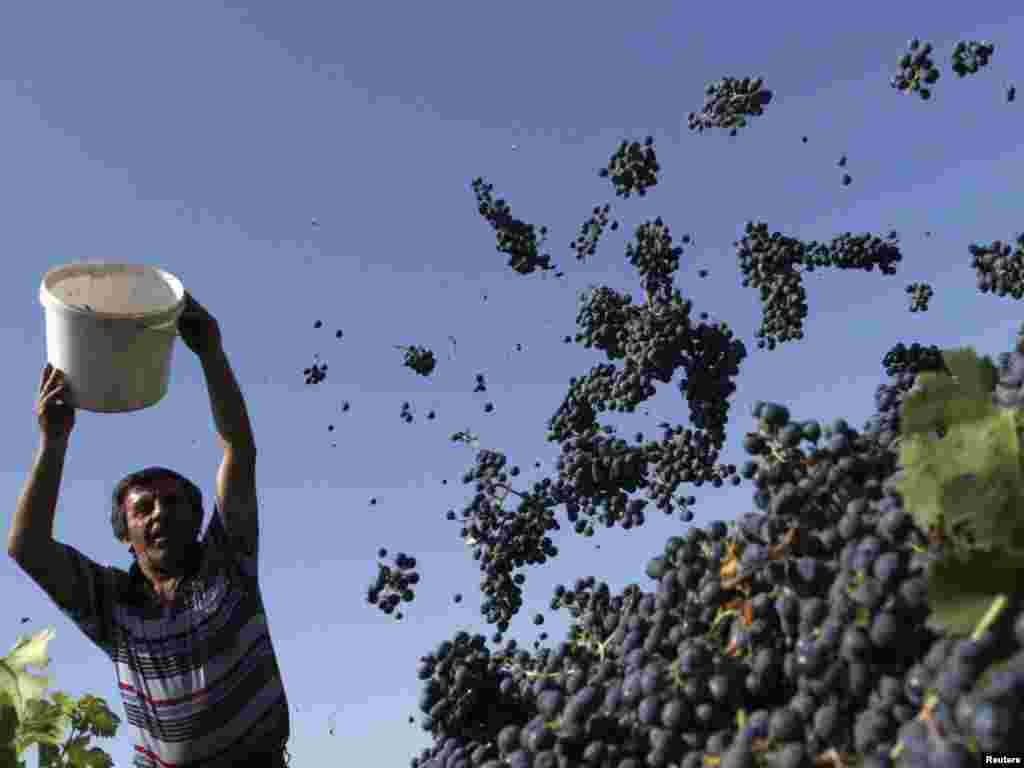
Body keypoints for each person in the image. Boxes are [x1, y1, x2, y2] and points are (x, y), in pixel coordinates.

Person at [7, 293, 292, 768]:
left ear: (199, 518)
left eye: (174, 502)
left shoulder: (228, 563)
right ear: (126, 534)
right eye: (144, 508)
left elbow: (237, 448)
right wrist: (53, 441)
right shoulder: (112, 603)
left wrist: (210, 353)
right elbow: (27, 547)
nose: (159, 513)